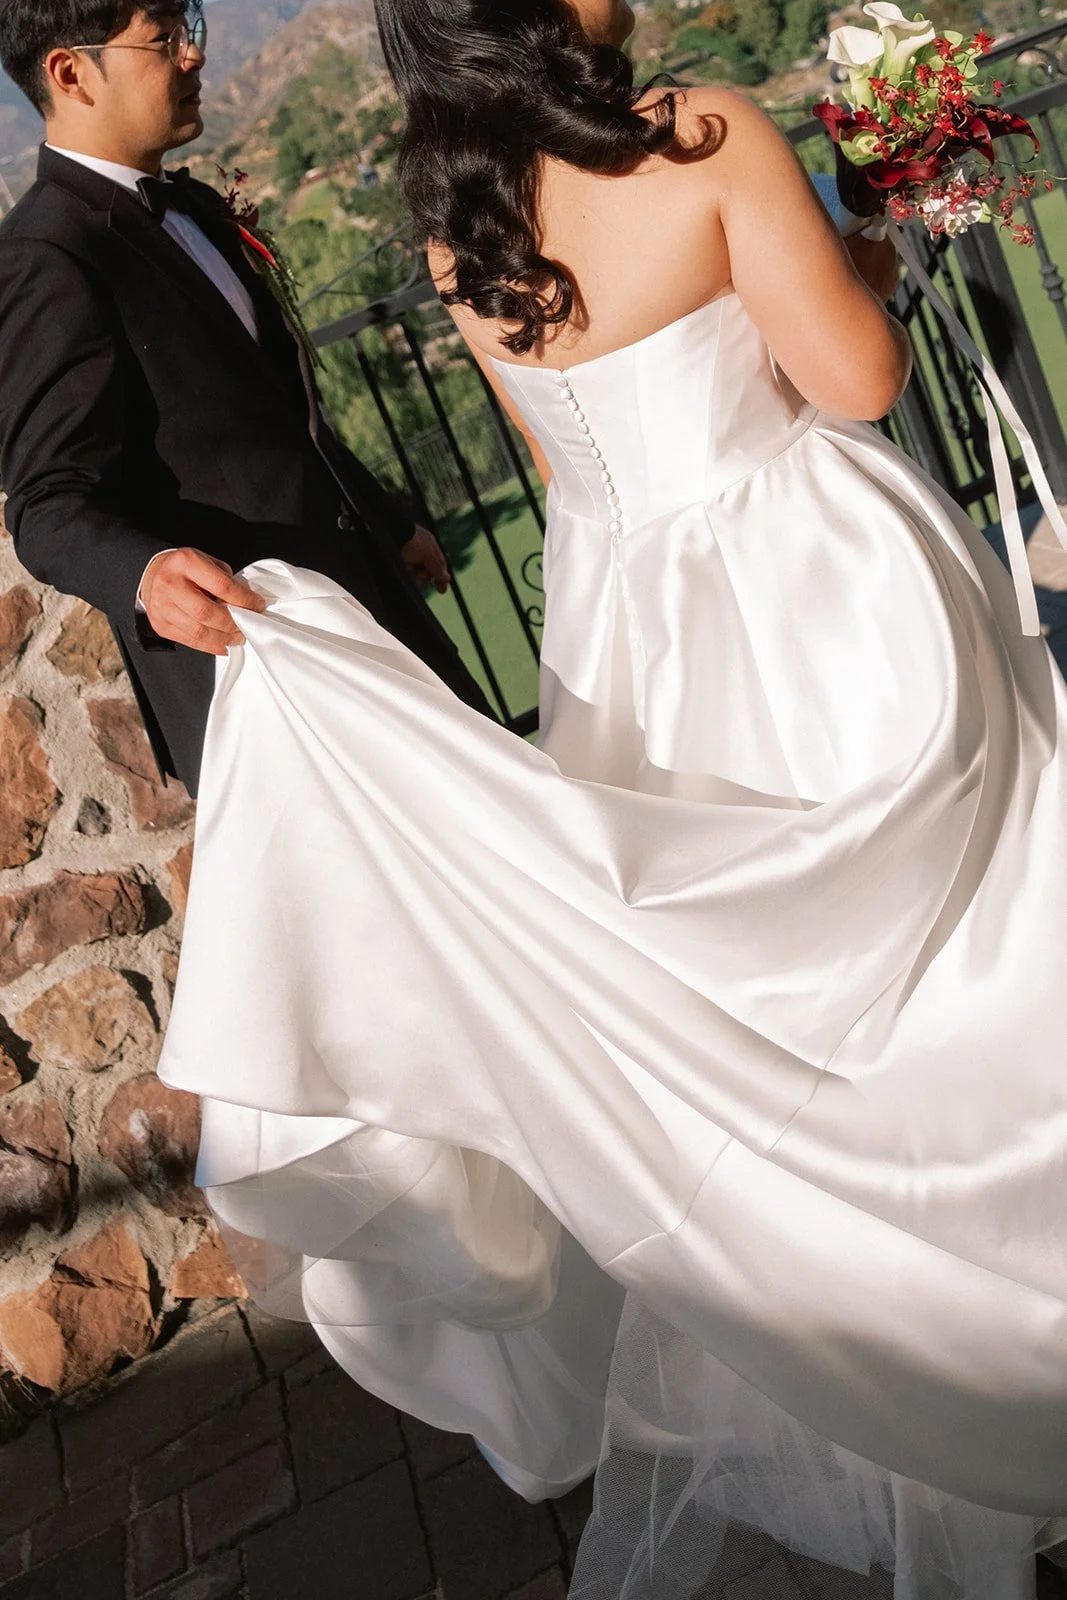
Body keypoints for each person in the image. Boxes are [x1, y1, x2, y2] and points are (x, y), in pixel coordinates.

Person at [148, 0, 1067, 1595]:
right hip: (809, 593)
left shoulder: (460, 225)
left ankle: (879, 1385)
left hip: (629, 636)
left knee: (753, 1047)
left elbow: (565, 464)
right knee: (946, 965)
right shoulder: (699, 134)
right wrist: (874, 242)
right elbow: (846, 383)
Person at [0, 0, 492, 796]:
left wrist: (388, 520)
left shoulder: (193, 208)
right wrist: (148, 572)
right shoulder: (46, 254)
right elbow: (47, 502)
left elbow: (277, 414)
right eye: (164, 40)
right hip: (266, 667)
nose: (193, 57)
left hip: (369, 607)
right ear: (69, 72)